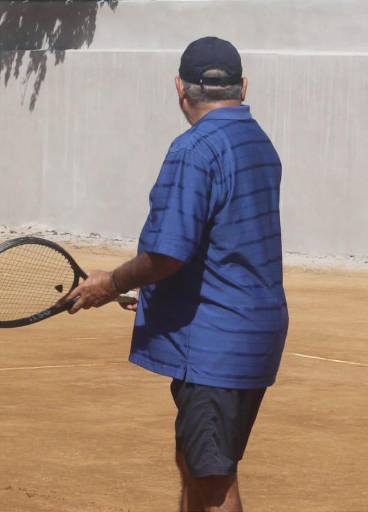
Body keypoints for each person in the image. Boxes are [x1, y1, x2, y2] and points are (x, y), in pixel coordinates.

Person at [63, 36, 288, 511]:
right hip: (250, 331)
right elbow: (222, 244)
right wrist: (147, 293)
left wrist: (112, 283)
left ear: (179, 89)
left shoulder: (194, 149)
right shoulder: (258, 142)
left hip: (216, 342)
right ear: (242, 86)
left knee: (210, 481)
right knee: (198, 461)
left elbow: (168, 253)